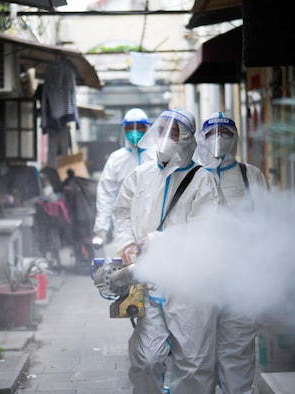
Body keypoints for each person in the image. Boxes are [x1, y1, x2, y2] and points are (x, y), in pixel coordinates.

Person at [111, 108, 221, 394]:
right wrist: (125, 243)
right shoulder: (141, 174)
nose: (167, 138)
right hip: (148, 280)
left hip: (190, 285)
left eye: (175, 132)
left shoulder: (202, 180)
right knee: (147, 359)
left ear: (187, 138)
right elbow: (121, 211)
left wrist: (160, 240)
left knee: (194, 363)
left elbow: (206, 229)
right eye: (163, 130)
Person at [194, 111, 269, 394]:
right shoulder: (192, 177)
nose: (218, 140)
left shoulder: (251, 176)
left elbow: (267, 227)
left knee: (237, 351)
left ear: (235, 138)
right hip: (198, 282)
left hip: (242, 281)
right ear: (202, 139)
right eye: (212, 134)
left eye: (225, 134)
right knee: (197, 353)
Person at [92, 108, 155, 248]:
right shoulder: (116, 159)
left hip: (154, 223)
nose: (134, 132)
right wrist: (101, 228)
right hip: (124, 225)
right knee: (127, 264)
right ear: (123, 130)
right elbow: (106, 195)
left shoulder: (158, 156)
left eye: (139, 127)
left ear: (148, 128)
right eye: (129, 128)